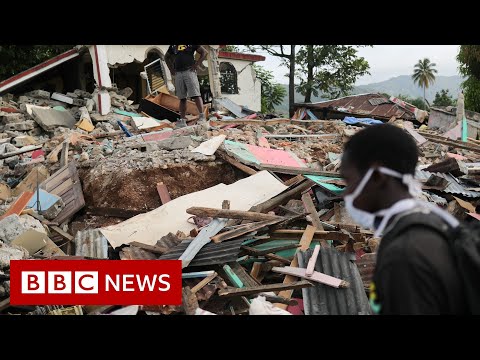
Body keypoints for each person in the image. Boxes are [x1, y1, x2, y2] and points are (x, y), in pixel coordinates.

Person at [340, 124, 467, 315]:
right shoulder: (434, 223)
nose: (346, 193)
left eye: (349, 181)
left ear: (376, 177)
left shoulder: (404, 254)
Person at [165, 45, 207, 128]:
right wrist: (171, 69)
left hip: (189, 71)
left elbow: (204, 52)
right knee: (182, 98)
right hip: (178, 73)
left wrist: (197, 65)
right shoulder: (173, 46)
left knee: (196, 94)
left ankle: (202, 117)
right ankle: (183, 121)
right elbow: (166, 57)